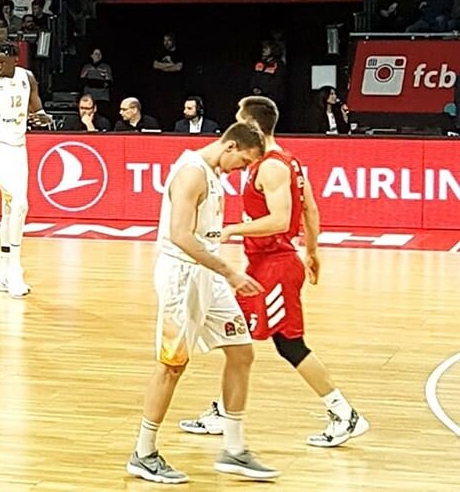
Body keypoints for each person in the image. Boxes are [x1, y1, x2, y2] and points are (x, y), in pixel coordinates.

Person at [179, 96, 369, 448]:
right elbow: (310, 210)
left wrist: (232, 230)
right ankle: (224, 411)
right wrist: (312, 252)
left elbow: (282, 220)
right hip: (266, 264)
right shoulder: (288, 162)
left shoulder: (271, 167)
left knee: (289, 344)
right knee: (235, 337)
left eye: (238, 119)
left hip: (277, 266)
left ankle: (344, 413)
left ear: (251, 126)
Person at [127, 122, 280, 484]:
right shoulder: (191, 173)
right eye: (242, 162)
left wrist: (222, 273)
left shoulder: (212, 172)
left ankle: (235, 449)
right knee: (172, 365)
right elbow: (180, 235)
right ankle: (143, 453)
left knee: (242, 352)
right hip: (182, 277)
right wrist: (230, 272)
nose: (241, 170)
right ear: (229, 146)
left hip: (209, 275)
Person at [0, 42, 51, 297]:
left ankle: (2, 271)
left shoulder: (27, 78)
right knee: (20, 204)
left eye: (3, 61)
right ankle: (15, 269)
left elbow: (35, 107)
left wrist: (42, 116)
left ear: (16, 60)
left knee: (10, 207)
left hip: (18, 146)